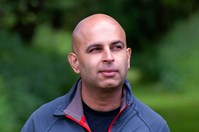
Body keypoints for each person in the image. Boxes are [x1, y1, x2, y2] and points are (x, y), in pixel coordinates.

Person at [21, 14, 170, 132]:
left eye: (116, 47)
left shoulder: (153, 127)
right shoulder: (42, 124)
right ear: (75, 62)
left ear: (128, 57)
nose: (109, 57)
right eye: (95, 49)